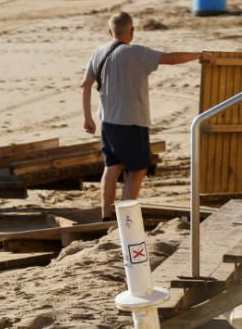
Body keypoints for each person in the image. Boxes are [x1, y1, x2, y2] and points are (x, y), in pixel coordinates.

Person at [81, 11, 213, 220]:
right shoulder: (136, 53)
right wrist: (200, 55)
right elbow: (173, 58)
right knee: (137, 170)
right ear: (132, 31)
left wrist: (87, 117)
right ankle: (126, 219)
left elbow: (86, 85)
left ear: (110, 31)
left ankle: (106, 214)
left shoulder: (98, 52)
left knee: (112, 167)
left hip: (107, 121)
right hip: (132, 121)